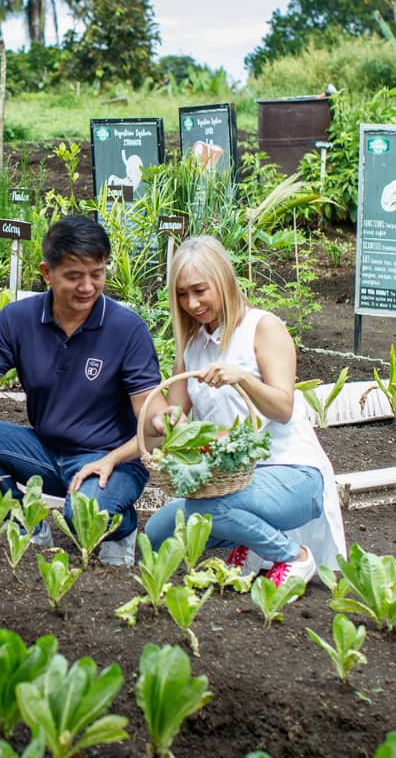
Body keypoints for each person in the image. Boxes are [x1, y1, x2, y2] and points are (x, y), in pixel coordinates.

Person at [0, 215, 165, 566]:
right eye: (74, 276)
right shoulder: (17, 319)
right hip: (45, 451)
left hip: (110, 461)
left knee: (84, 515)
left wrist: (161, 420)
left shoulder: (127, 330)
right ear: (47, 273)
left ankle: (123, 527)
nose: (88, 287)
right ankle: (26, 525)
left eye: (97, 273)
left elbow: (150, 413)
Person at [143, 235, 347, 586]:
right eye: (182, 294)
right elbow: (174, 415)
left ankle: (292, 557)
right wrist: (163, 421)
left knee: (214, 507)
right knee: (157, 531)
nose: (192, 303)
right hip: (232, 480)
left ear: (223, 281)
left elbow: (283, 408)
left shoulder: (262, 327)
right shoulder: (192, 346)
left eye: (200, 290)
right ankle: (250, 544)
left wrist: (242, 379)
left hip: (292, 473)